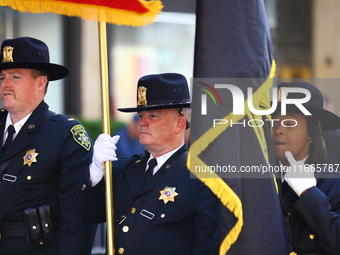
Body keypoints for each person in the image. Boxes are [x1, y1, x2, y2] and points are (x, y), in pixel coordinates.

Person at [80, 73, 218, 255]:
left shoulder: (201, 178)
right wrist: (96, 171)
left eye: (153, 115)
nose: (142, 122)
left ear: (179, 124)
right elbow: (88, 214)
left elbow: (206, 247)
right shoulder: (124, 168)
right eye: (140, 115)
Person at [0, 37, 96, 255]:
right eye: (2, 77)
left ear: (40, 83)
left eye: (15, 77)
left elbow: (77, 217)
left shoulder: (64, 134)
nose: (5, 84)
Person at [272, 81, 340, 255]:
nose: (278, 129)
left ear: (310, 132)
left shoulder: (334, 184)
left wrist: (308, 192)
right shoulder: (257, 180)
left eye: (289, 123)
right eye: (273, 122)